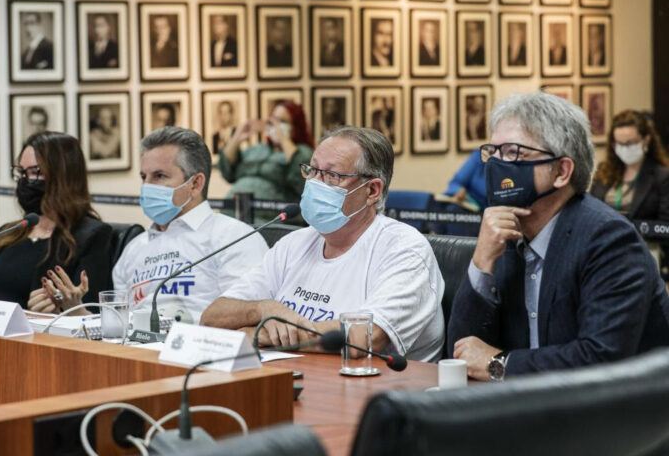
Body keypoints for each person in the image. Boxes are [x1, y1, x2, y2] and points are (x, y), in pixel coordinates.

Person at [448, 92, 669, 381]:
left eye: (514, 152)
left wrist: (497, 364)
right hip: (521, 404)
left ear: (562, 172)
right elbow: (459, 356)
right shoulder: (505, 236)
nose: (496, 164)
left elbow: (600, 360)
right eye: (494, 152)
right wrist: (482, 261)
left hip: (616, 407)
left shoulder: (609, 240)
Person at [201, 126, 445, 362]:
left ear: (371, 191)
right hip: (293, 377)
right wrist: (263, 309)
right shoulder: (295, 243)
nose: (315, 183)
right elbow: (212, 317)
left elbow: (364, 337)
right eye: (312, 170)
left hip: (380, 386)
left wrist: (257, 334)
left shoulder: (404, 248)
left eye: (332, 175)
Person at [107, 127, 267, 323]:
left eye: (159, 176)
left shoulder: (234, 237)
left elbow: (249, 317)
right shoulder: (133, 249)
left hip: (202, 340)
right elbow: (119, 323)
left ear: (195, 184)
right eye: (143, 177)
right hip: (135, 341)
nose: (146, 186)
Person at [0, 132, 113, 312]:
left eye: (34, 172)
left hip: (44, 329)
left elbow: (91, 309)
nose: (24, 180)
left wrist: (63, 309)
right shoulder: (8, 233)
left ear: (63, 176)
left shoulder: (91, 236)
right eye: (21, 172)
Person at [590, 110, 669, 279]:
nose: (625, 148)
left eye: (630, 143)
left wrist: (630, 225)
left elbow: (666, 227)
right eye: (620, 143)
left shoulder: (662, 176)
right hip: (603, 253)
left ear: (646, 139)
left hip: (643, 254)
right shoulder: (604, 172)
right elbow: (590, 210)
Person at [219, 101, 314, 220]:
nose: (276, 125)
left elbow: (304, 180)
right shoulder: (258, 149)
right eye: (273, 120)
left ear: (295, 126)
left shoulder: (303, 151)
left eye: (282, 121)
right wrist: (237, 137)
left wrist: (283, 139)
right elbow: (228, 170)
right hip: (233, 213)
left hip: (267, 220)